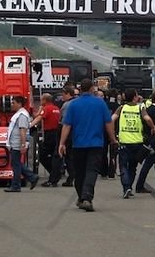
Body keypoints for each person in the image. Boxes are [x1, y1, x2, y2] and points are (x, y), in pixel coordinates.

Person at [59, 78, 118, 212]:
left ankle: (82, 197)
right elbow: (108, 123)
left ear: (80, 89)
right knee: (92, 171)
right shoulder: (100, 103)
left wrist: (62, 143)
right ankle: (86, 198)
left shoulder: (73, 104)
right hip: (96, 143)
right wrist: (113, 139)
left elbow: (67, 125)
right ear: (92, 89)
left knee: (79, 172)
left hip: (78, 144)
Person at [112, 88, 155, 198]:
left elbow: (112, 118)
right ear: (134, 97)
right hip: (137, 141)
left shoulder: (121, 108)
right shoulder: (140, 107)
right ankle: (129, 187)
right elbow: (147, 118)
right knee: (132, 166)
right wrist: (153, 127)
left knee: (123, 166)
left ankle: (126, 187)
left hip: (123, 141)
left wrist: (113, 133)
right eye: (136, 95)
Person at [5, 95, 39, 192]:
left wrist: (23, 144)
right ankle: (32, 177)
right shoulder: (19, 114)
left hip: (17, 143)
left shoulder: (22, 115)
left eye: (13, 103)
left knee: (16, 164)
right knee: (16, 163)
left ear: (19, 104)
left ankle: (16, 185)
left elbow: (23, 130)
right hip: (15, 143)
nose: (12, 105)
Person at [31, 93, 62, 187]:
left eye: (41, 100)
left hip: (50, 134)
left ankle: (54, 174)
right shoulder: (56, 108)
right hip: (57, 133)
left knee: (42, 155)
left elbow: (38, 118)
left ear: (45, 100)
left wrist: (29, 126)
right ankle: (55, 175)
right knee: (54, 156)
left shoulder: (46, 108)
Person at [58, 85, 76, 186]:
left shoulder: (67, 105)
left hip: (69, 132)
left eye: (63, 94)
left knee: (68, 156)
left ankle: (71, 176)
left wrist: (62, 141)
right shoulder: (77, 102)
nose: (62, 96)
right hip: (77, 132)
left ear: (68, 94)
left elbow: (64, 121)